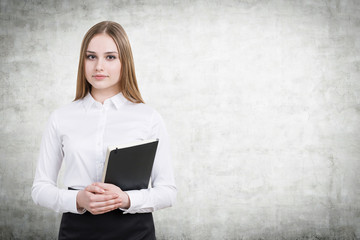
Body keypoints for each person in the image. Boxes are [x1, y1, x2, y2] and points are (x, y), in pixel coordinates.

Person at [31, 21, 176, 240]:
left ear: (124, 62)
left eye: (110, 57)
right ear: (83, 61)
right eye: (91, 57)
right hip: (77, 232)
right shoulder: (61, 117)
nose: (99, 66)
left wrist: (125, 199)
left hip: (136, 232)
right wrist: (78, 199)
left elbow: (168, 192)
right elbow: (40, 189)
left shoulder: (148, 117)